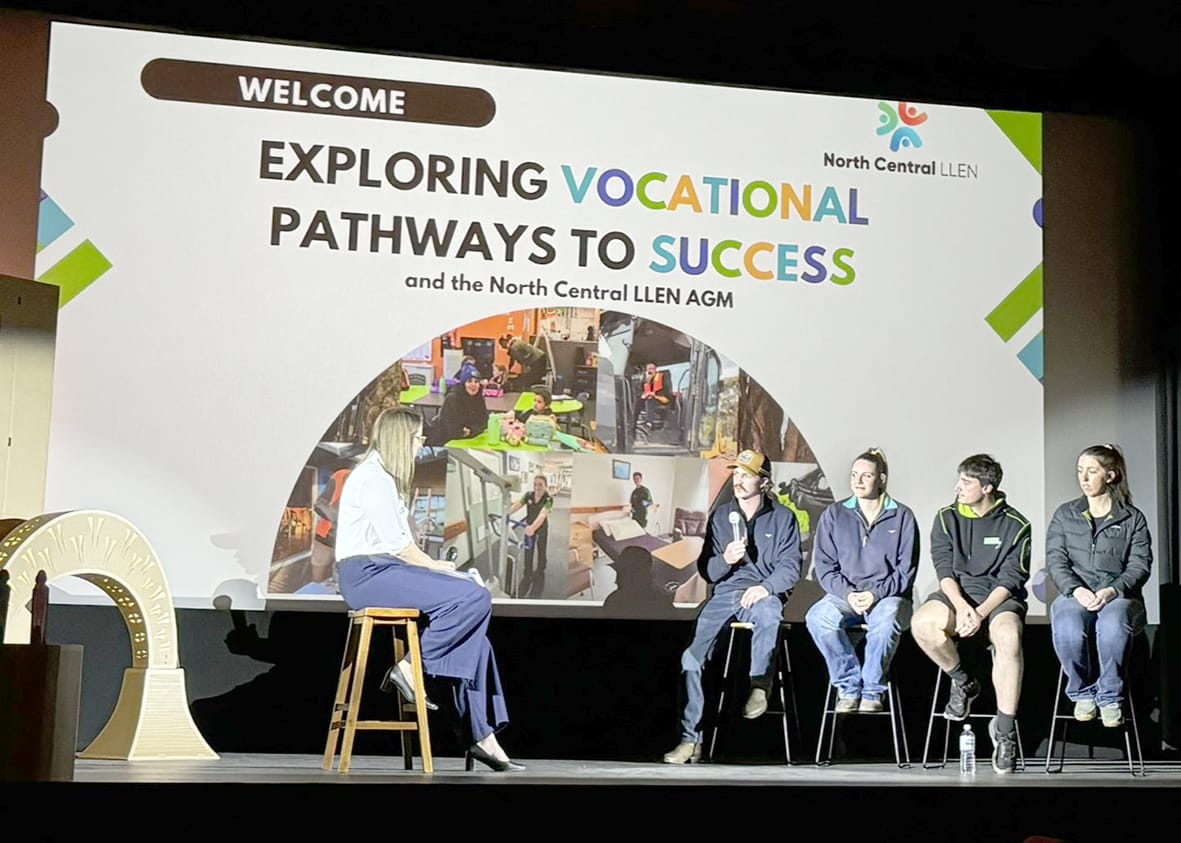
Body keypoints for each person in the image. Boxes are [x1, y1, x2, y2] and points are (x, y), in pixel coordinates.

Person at [334, 407, 524, 771]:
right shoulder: (374, 478)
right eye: (418, 438)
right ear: (401, 439)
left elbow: (400, 547)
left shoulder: (383, 478)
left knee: (475, 638)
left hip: (382, 569)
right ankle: (410, 669)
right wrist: (439, 568)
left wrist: (442, 571)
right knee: (474, 596)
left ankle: (481, 736)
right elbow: (398, 547)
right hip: (368, 574)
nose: (421, 444)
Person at [663, 449, 802, 764]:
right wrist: (725, 559)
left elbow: (791, 568)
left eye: (746, 475)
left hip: (762, 592)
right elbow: (708, 571)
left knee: (769, 611)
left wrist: (765, 587)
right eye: (736, 474)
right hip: (725, 593)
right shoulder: (723, 515)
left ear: (764, 482)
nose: (738, 481)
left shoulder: (783, 518)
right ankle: (691, 741)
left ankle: (759, 684)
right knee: (691, 658)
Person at [910, 453, 1031, 774]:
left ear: (988, 487)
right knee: (923, 623)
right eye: (959, 480)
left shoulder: (1016, 525)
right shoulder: (947, 517)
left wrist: (980, 613)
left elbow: (1011, 580)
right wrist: (963, 607)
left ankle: (1004, 732)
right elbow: (944, 569)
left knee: (1007, 635)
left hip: (998, 601)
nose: (958, 487)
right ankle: (963, 682)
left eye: (966, 482)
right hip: (957, 597)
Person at [805, 448, 919, 714]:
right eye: (854, 475)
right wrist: (848, 595)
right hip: (846, 597)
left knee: (887, 617)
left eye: (865, 475)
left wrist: (875, 595)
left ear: (881, 479)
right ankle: (848, 685)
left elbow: (905, 571)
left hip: (888, 597)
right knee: (818, 617)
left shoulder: (902, 516)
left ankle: (872, 690)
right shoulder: (835, 514)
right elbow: (825, 567)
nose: (857, 481)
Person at [1047, 444, 1152, 728]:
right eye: (1080, 471)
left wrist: (1111, 591)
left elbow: (1139, 566)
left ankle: (1109, 696)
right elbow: (1056, 561)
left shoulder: (1132, 518)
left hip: (1118, 596)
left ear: (1111, 475)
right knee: (1068, 624)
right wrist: (1076, 590)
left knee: (1113, 624)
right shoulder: (1065, 514)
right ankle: (1082, 692)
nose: (1083, 478)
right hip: (1076, 594)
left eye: (1091, 471)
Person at [512, 474, 553, 598]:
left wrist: (533, 528)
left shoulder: (549, 499)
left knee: (541, 549)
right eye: (535, 484)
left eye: (540, 484)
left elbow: (542, 515)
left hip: (540, 528)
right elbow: (517, 505)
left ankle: (541, 569)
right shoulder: (528, 495)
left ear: (545, 486)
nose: (537, 487)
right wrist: (505, 513)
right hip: (529, 527)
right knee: (528, 550)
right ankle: (527, 573)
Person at [429, 361, 489, 444]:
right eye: (469, 381)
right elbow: (451, 429)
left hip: (470, 440)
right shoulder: (452, 399)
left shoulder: (479, 398)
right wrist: (466, 431)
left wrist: (471, 431)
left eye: (476, 381)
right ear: (463, 383)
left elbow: (484, 422)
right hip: (446, 443)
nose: (473, 385)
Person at [636, 362, 671, 430]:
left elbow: (667, 389)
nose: (650, 371)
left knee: (650, 401)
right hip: (650, 397)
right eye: (649, 369)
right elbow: (641, 390)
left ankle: (648, 422)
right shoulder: (646, 380)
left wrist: (654, 394)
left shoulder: (662, 377)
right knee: (638, 402)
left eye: (652, 369)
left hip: (663, 398)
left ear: (655, 369)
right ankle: (634, 423)